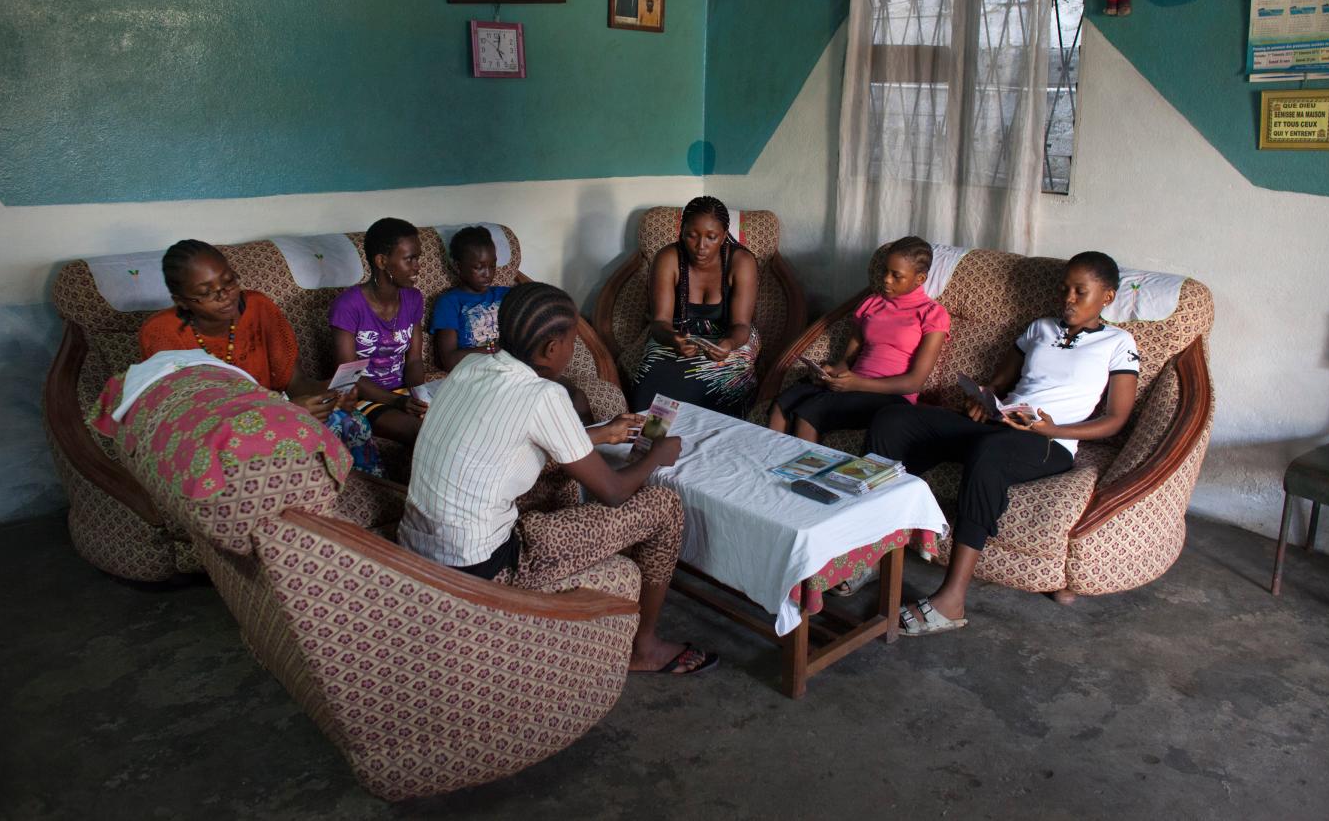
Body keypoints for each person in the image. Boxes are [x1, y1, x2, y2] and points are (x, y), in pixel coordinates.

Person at [399, 282, 717, 675]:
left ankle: (584, 583)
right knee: (665, 505)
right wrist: (657, 455)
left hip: (417, 546)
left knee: (565, 474)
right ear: (552, 349)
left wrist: (601, 434)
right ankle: (645, 647)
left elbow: (519, 442)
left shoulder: (470, 366)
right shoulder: (543, 395)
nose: (573, 351)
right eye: (571, 342)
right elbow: (615, 492)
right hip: (484, 568)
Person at [868, 251, 1140, 636]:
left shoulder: (1118, 342)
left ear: (1107, 297)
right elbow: (998, 385)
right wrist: (983, 399)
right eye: (1065, 289)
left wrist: (1052, 429)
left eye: (1081, 292)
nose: (1069, 299)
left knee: (990, 453)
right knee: (894, 419)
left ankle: (952, 599)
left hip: (1050, 443)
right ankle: (868, 550)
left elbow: (1115, 420)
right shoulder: (1039, 328)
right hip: (1001, 425)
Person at [138, 240, 382, 475]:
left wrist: (331, 393)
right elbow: (194, 419)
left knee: (349, 419)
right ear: (181, 301)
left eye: (229, 281)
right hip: (215, 436)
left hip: (276, 413)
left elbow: (295, 382)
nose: (225, 296)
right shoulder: (162, 334)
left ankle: (357, 502)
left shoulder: (258, 308)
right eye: (206, 292)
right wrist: (284, 410)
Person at [769, 236, 949, 444]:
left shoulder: (932, 314)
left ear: (920, 279)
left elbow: (914, 382)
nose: (886, 280)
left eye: (896, 275)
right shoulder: (872, 303)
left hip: (891, 396)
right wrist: (830, 373)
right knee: (784, 402)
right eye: (885, 271)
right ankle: (769, 467)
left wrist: (859, 384)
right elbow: (848, 359)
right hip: (852, 385)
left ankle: (805, 475)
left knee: (810, 412)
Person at [628, 196, 759, 417]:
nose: (701, 246)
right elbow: (660, 322)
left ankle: (715, 443)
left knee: (722, 381)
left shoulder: (741, 262)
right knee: (652, 377)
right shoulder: (668, 258)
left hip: (731, 337)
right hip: (676, 336)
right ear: (682, 232)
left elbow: (741, 324)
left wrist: (728, 343)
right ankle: (653, 442)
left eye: (711, 237)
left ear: (724, 236)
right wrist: (673, 339)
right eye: (692, 236)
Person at [328, 219, 429, 449]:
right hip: (362, 398)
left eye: (418, 258)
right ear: (382, 261)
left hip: (402, 392)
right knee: (424, 433)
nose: (417, 267)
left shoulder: (413, 298)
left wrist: (419, 397)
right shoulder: (348, 306)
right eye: (409, 259)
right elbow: (348, 377)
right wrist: (398, 402)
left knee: (455, 421)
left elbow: (414, 360)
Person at [429, 226, 511, 372]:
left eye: (492, 266)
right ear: (458, 266)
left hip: (511, 369)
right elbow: (450, 360)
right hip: (474, 373)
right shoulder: (449, 302)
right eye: (478, 267)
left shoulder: (505, 295)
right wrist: (495, 348)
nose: (487, 274)